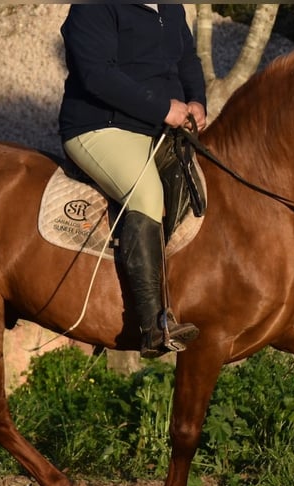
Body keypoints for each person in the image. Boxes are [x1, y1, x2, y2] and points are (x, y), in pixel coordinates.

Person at [58, 3, 207, 359]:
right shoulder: (92, 8)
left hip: (161, 128)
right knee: (147, 195)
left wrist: (197, 100)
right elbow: (96, 75)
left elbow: (188, 59)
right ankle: (154, 325)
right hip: (100, 127)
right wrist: (162, 107)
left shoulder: (171, 8)